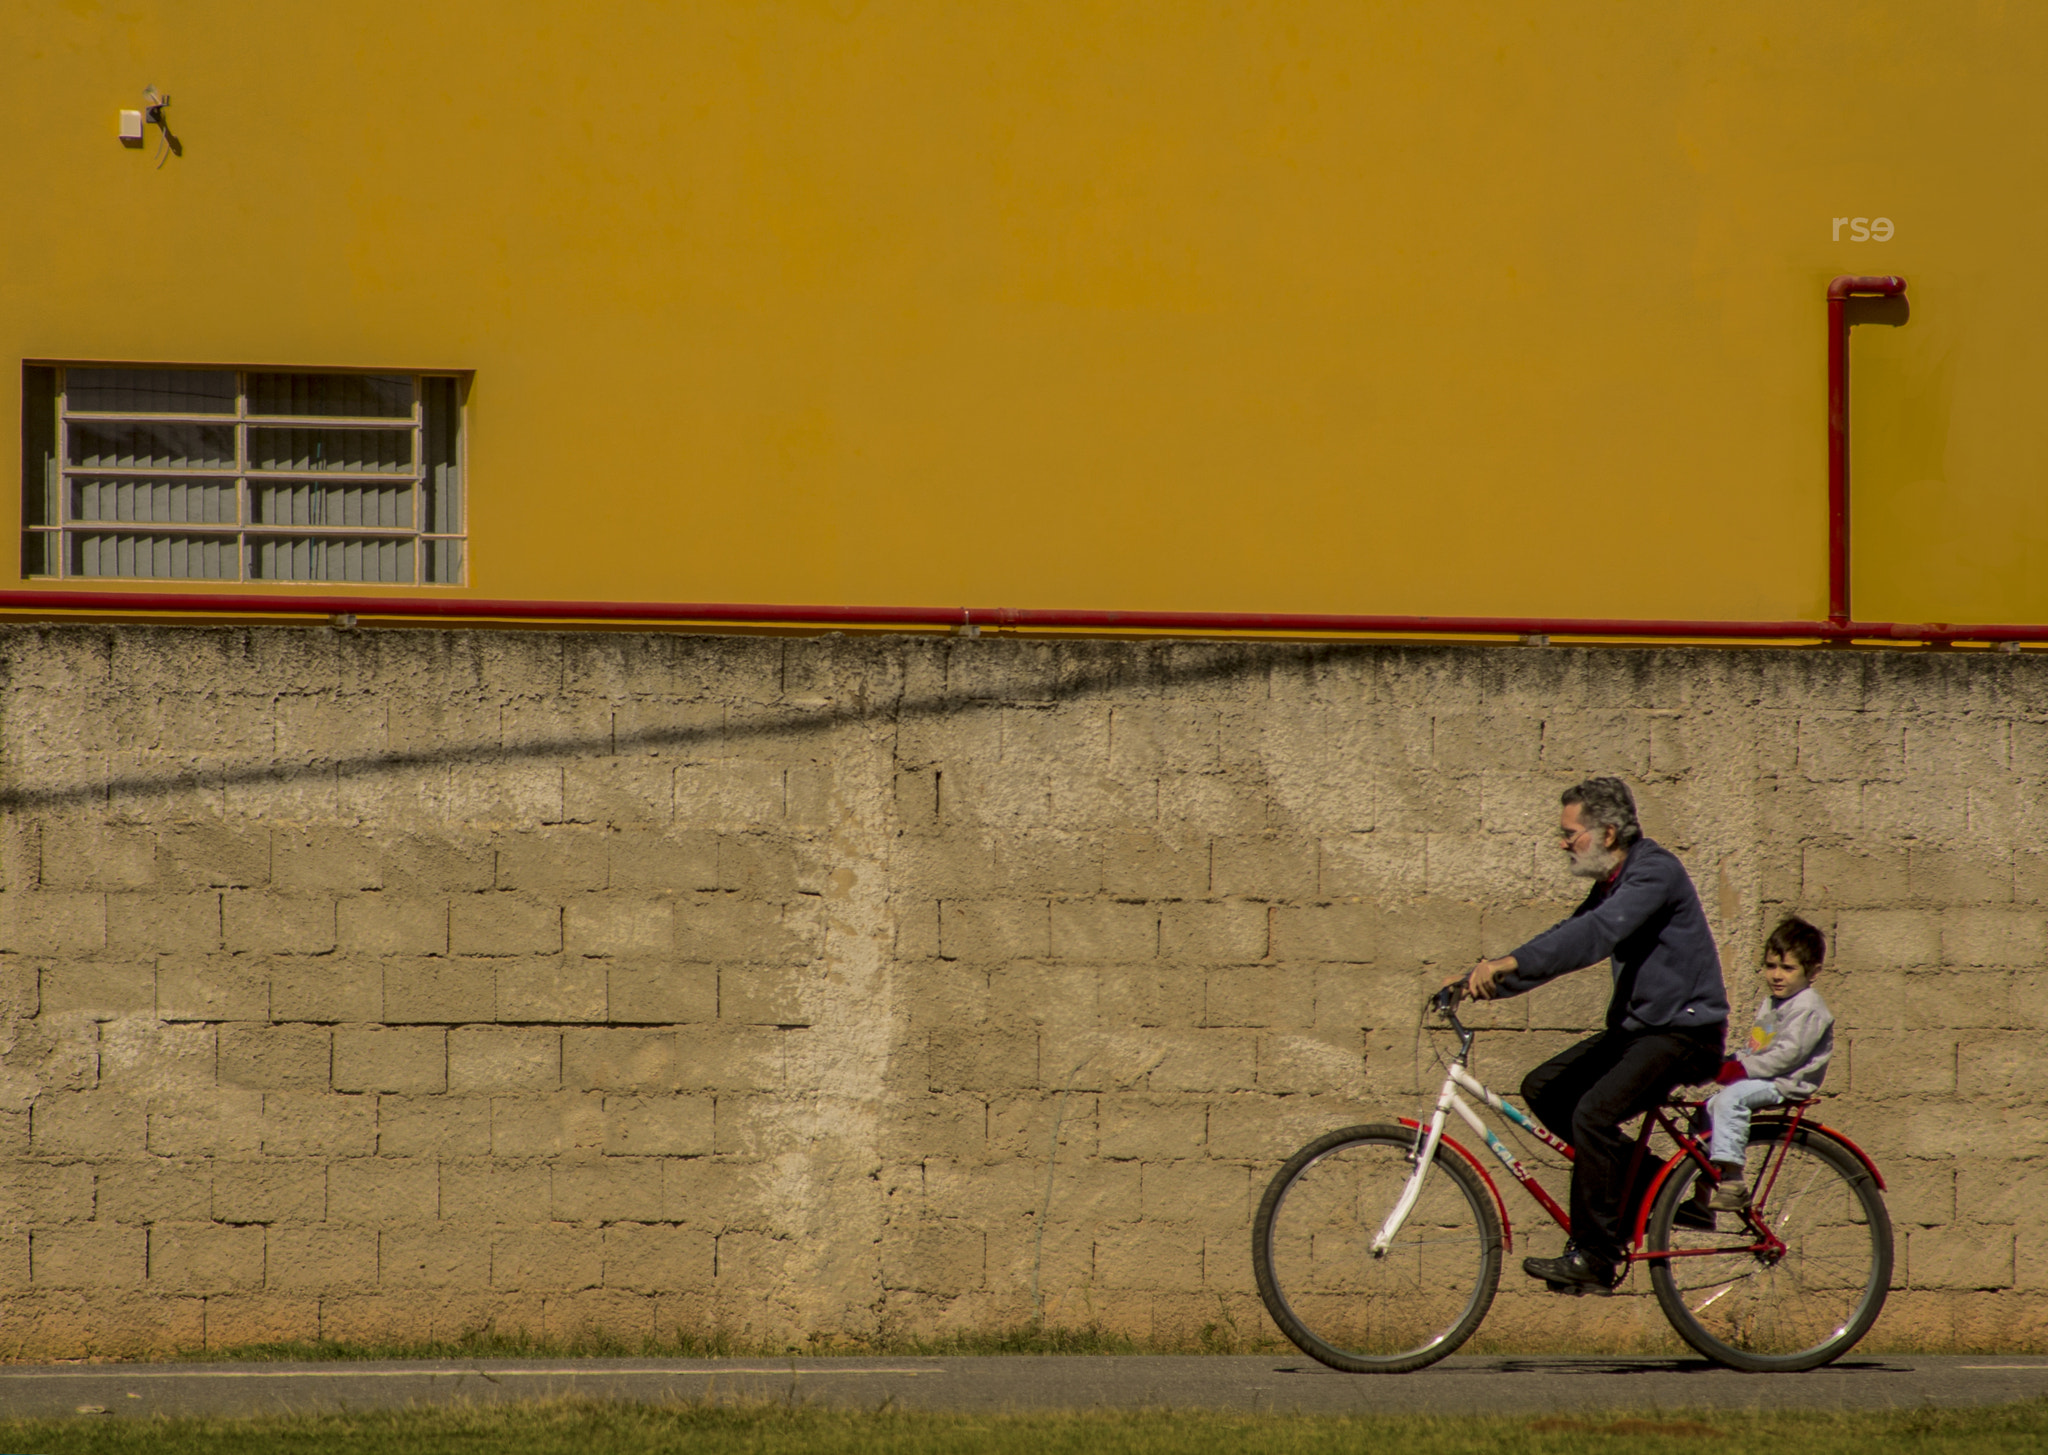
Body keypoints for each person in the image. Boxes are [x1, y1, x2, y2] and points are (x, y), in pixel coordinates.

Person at [1444, 776, 1728, 1292]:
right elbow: (1564, 940)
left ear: (1609, 833)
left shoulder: (1654, 873)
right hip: (1641, 1032)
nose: (1563, 843)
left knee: (1592, 1114)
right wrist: (1481, 981)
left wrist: (1509, 962)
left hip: (1685, 1034)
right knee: (1545, 1088)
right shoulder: (1612, 884)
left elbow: (1595, 936)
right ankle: (1659, 1193)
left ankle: (1596, 1256)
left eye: (1570, 833)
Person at [1695, 916, 1834, 1213]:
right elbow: (1759, 1045)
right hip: (1766, 1077)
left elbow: (1788, 1055)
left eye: (1787, 968)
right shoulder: (1773, 1002)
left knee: (1730, 1099)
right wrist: (1733, 1061)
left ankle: (1732, 1182)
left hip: (1787, 1081)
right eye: (1771, 966)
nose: (1777, 975)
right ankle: (1701, 1192)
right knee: (1707, 1106)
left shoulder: (1808, 1006)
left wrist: (1741, 1071)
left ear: (1813, 972)